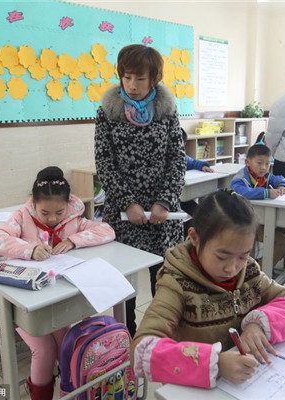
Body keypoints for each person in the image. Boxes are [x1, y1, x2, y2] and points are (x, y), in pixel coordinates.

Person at [131, 190, 285, 389]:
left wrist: (258, 324)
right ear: (195, 237)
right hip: (194, 388)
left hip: (244, 384)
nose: (232, 268)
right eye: (222, 257)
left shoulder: (249, 271)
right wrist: (216, 364)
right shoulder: (176, 282)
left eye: (242, 256)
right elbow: (141, 351)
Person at [0, 166, 115, 400]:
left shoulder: (74, 219)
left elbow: (107, 231)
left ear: (68, 205)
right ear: (33, 203)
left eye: (59, 212)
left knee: (68, 344)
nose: (53, 219)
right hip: (20, 301)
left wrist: (74, 241)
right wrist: (30, 249)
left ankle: (69, 388)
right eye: (45, 213)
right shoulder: (21, 218)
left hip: (54, 297)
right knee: (44, 349)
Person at [94, 44, 186, 337]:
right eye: (127, 77)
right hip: (124, 215)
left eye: (140, 79)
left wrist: (164, 202)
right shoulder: (107, 112)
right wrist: (128, 203)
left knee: (163, 280)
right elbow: (104, 162)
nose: (132, 86)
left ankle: (158, 336)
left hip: (161, 216)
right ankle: (126, 336)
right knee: (124, 285)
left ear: (154, 79)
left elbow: (177, 158)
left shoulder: (167, 111)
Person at [230, 144, 285, 269]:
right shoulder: (241, 178)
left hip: (257, 218)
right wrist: (266, 193)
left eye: (267, 164)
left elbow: (279, 179)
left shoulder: (263, 176)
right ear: (247, 162)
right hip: (241, 223)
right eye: (259, 163)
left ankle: (266, 264)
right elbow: (241, 191)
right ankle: (259, 273)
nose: (264, 168)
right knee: (282, 241)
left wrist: (282, 185)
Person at [181, 128, 214, 235]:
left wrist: (202, 166)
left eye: (183, 145)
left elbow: (193, 162)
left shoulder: (181, 156)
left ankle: (200, 226)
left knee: (201, 214)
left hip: (182, 197)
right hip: (168, 199)